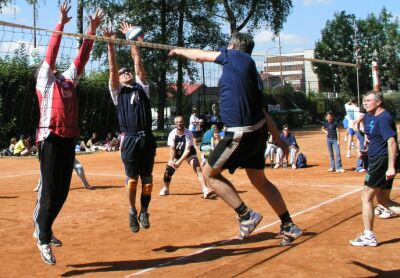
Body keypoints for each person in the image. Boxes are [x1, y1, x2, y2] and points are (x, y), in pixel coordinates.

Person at [168, 32, 302, 244]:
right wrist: (278, 139)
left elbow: (200, 56)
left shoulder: (235, 57)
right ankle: (288, 225)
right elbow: (264, 113)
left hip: (239, 132)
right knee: (260, 181)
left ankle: (246, 215)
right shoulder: (250, 73)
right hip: (257, 132)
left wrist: (179, 50)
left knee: (209, 174)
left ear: (232, 46)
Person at [32, 3, 104, 265]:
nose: (56, 67)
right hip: (50, 137)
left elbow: (82, 56)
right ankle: (42, 236)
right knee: (50, 192)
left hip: (69, 138)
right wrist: (61, 24)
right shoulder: (45, 79)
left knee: (62, 192)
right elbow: (51, 53)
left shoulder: (68, 80)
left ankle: (46, 229)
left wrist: (92, 30)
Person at [103, 23, 157, 235]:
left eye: (127, 72)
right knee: (132, 180)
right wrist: (110, 43)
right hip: (130, 139)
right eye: (122, 73)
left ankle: (144, 211)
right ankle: (132, 210)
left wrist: (132, 42)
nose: (125, 73)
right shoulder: (117, 91)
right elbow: (112, 68)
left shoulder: (142, 87)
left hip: (147, 138)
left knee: (149, 180)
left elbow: (138, 63)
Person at [350, 91, 398, 247]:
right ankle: (368, 235)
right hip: (377, 158)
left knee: (366, 197)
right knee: (383, 200)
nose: (364, 102)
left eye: (368, 100)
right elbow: (373, 138)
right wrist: (365, 149)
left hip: (381, 161)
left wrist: (391, 167)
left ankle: (368, 236)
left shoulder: (384, 118)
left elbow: (392, 143)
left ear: (378, 102)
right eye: (363, 100)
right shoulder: (371, 116)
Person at [159, 116, 215, 199]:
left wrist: (179, 162)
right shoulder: (172, 133)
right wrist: (172, 160)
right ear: (175, 124)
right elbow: (172, 149)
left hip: (189, 154)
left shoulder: (188, 133)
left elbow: (187, 150)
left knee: (197, 168)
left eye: (181, 122)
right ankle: (166, 188)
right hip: (177, 154)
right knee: (168, 172)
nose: (179, 124)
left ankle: (205, 189)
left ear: (184, 122)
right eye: (177, 122)